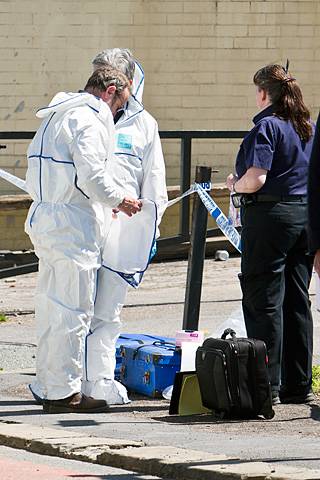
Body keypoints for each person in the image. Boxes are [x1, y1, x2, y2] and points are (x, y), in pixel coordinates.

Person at [26, 66, 142, 414]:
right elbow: (92, 176)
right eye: (120, 101)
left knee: (51, 307)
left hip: (46, 217)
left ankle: (50, 384)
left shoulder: (56, 115)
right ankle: (65, 392)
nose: (119, 110)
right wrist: (121, 198)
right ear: (109, 90)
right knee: (74, 311)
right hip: (72, 224)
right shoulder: (88, 119)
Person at [81, 48, 168, 404]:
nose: (105, 85)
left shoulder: (145, 126)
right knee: (74, 308)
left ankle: (98, 381)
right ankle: (68, 382)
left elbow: (155, 186)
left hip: (122, 232)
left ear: (126, 82)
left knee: (107, 312)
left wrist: (148, 232)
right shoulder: (80, 115)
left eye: (110, 76)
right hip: (82, 226)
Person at [226, 63, 314, 405]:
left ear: (263, 93)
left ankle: (268, 387)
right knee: (297, 301)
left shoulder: (266, 126)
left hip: (270, 216)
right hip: (305, 216)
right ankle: (298, 384)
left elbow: (256, 178)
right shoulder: (307, 126)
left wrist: (236, 185)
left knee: (264, 299)